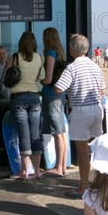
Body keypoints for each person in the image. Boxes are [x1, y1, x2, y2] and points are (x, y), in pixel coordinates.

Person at [55, 34, 105, 198]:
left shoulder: (72, 68)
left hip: (81, 110)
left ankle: (84, 187)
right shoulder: (95, 66)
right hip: (97, 109)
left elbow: (59, 89)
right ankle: (100, 184)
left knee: (83, 152)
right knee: (97, 150)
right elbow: (102, 90)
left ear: (72, 49)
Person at [7, 31, 44, 179]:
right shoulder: (39, 58)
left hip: (18, 98)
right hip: (35, 97)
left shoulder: (14, 58)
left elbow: (6, 77)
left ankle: (24, 171)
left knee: (23, 135)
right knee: (35, 134)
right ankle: (37, 171)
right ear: (34, 43)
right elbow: (41, 78)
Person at [40, 27, 68, 176]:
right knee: (62, 132)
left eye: (43, 36)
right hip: (60, 94)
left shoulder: (51, 53)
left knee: (57, 132)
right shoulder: (60, 53)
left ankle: (58, 167)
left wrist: (39, 80)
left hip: (51, 95)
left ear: (48, 38)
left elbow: (48, 79)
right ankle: (62, 166)